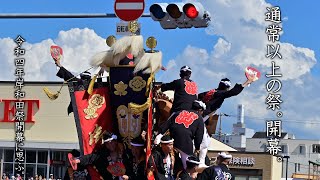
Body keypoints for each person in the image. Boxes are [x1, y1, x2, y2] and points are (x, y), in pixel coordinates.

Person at [155, 100, 205, 170]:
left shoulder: (178, 113)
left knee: (168, 158)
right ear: (200, 110)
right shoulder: (199, 118)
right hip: (185, 142)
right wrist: (197, 147)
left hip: (172, 139)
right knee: (187, 165)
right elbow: (199, 135)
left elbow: (167, 124)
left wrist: (159, 135)